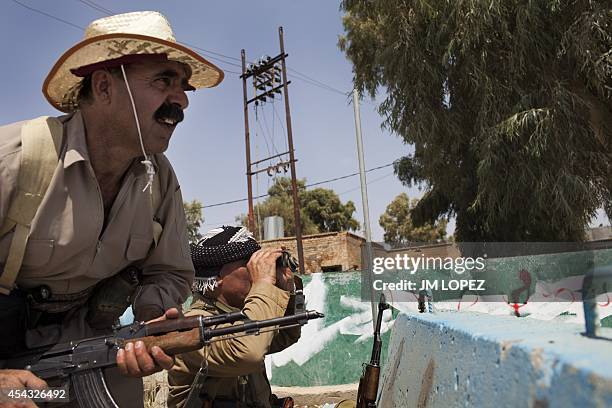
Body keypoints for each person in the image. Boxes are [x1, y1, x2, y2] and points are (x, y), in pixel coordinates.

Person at [0, 10, 223, 407]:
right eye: (164, 81)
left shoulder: (161, 181)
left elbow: (170, 272)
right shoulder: (16, 160)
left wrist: (153, 320)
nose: (183, 100)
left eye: (184, 86)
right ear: (104, 87)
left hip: (89, 358)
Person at [167, 226, 302, 408]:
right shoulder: (192, 326)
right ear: (218, 276)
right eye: (249, 264)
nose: (257, 272)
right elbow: (249, 352)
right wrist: (263, 284)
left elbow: (285, 335)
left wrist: (287, 288)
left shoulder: (236, 315)